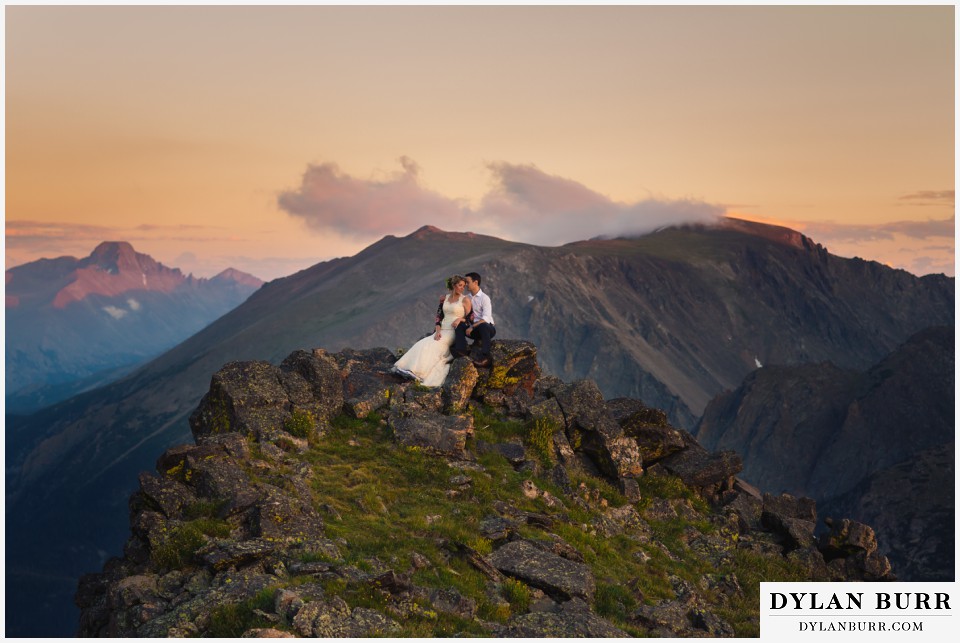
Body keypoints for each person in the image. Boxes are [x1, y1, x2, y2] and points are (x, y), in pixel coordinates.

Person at [393, 275, 473, 387]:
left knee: (434, 346)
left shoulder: (465, 300)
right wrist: (438, 331)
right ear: (454, 285)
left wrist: (460, 319)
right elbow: (439, 317)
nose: (462, 288)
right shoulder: (444, 298)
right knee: (423, 343)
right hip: (442, 330)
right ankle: (407, 368)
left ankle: (419, 374)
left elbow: (471, 318)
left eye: (464, 286)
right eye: (460, 285)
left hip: (453, 332)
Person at [454, 271, 496, 368]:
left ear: (475, 282)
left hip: (487, 329)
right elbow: (466, 316)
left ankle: (485, 357)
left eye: (467, 282)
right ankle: (461, 352)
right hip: (473, 330)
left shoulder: (485, 298)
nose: (465, 285)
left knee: (483, 325)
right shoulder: (466, 298)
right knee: (459, 325)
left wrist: (472, 326)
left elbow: (486, 318)